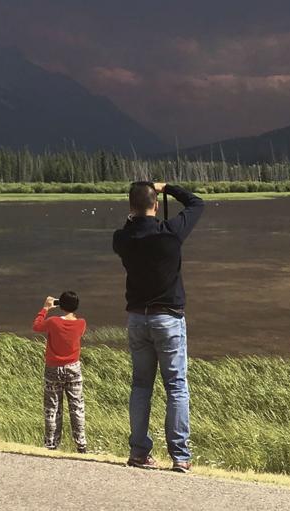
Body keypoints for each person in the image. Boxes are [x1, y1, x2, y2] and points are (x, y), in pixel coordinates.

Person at [113, 181, 204, 473]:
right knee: (176, 385)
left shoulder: (123, 239)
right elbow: (196, 204)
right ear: (155, 205)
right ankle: (180, 455)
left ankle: (139, 451)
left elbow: (129, 227)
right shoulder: (171, 233)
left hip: (137, 319)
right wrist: (169, 188)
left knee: (141, 385)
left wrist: (135, 215)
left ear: (130, 207)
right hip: (168, 318)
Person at [32, 290, 88, 453]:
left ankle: (51, 443)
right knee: (77, 406)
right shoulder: (81, 323)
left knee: (53, 407)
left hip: (53, 368)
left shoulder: (53, 322)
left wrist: (45, 308)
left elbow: (36, 326)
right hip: (73, 368)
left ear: (60, 305)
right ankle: (81, 444)